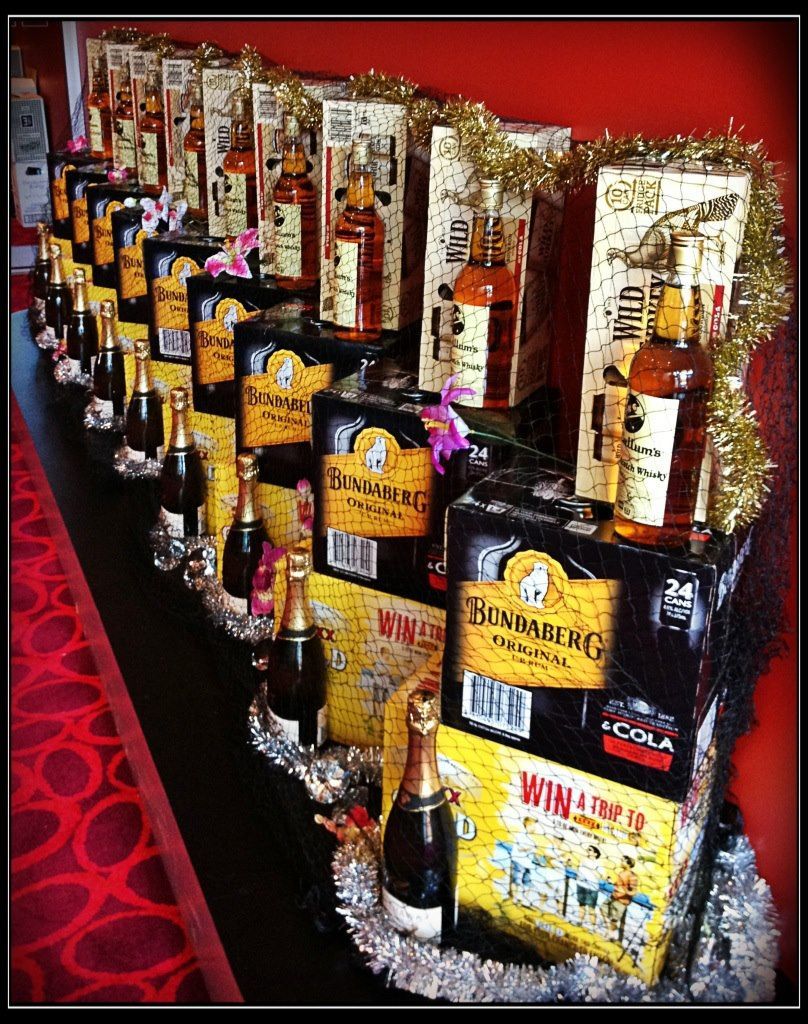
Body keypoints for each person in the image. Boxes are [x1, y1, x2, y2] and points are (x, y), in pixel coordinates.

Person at [608, 855, 638, 942]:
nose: (621, 862)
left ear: (628, 864)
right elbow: (618, 886)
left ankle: (613, 937)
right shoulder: (621, 872)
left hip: (622, 901)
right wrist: (612, 883)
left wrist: (625, 892)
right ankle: (612, 935)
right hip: (615, 898)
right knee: (610, 917)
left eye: (623, 861)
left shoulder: (632, 876)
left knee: (614, 920)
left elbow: (634, 891)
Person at [575, 844, 603, 928]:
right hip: (581, 884)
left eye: (590, 850)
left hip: (592, 888)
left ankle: (593, 927)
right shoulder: (583, 860)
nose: (588, 850)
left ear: (595, 854)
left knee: (591, 908)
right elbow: (579, 870)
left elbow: (600, 876)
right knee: (581, 905)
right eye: (588, 849)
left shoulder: (598, 864)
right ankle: (579, 922)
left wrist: (590, 867)